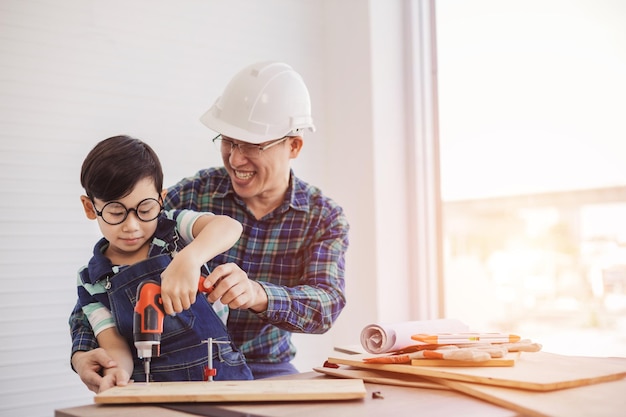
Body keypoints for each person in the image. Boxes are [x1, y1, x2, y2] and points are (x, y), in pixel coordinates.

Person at [69, 61, 350, 391]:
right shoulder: (190, 194)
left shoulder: (322, 217)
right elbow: (102, 289)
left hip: (266, 367)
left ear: (294, 146)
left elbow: (325, 305)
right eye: (229, 141)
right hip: (170, 369)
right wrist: (83, 352)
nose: (235, 159)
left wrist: (257, 294)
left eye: (252, 146)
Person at [74, 135, 253, 390]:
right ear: (90, 208)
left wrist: (188, 259)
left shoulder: (175, 228)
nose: (132, 226)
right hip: (153, 384)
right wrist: (117, 375)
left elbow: (229, 226)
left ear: (161, 199)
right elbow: (115, 346)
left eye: (145, 210)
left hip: (220, 374)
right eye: (116, 212)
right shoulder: (91, 280)